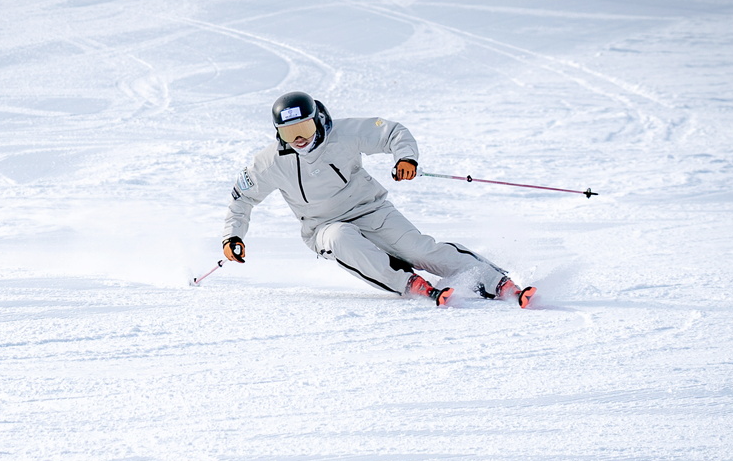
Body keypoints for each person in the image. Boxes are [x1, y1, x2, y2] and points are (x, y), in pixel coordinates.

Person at [221, 92, 534, 308]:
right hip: (323, 228)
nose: (299, 138)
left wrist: (405, 159)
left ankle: (499, 283)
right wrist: (232, 236)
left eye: (304, 127)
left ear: (318, 120)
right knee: (342, 238)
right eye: (290, 133)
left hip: (371, 210)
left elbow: (392, 133)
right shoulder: (270, 162)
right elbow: (241, 198)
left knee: (418, 249)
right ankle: (409, 284)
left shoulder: (344, 133)